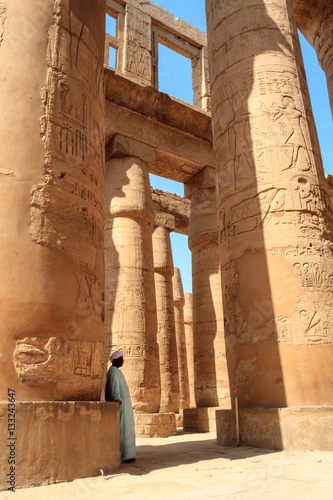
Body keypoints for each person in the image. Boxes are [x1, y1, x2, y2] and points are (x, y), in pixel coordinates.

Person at [105, 350, 136, 463]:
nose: (122, 361)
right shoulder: (113, 371)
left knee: (126, 426)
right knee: (123, 427)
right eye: (120, 360)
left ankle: (128, 454)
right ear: (115, 360)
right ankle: (124, 454)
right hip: (121, 403)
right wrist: (116, 397)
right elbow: (114, 386)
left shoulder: (116, 371)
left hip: (125, 404)